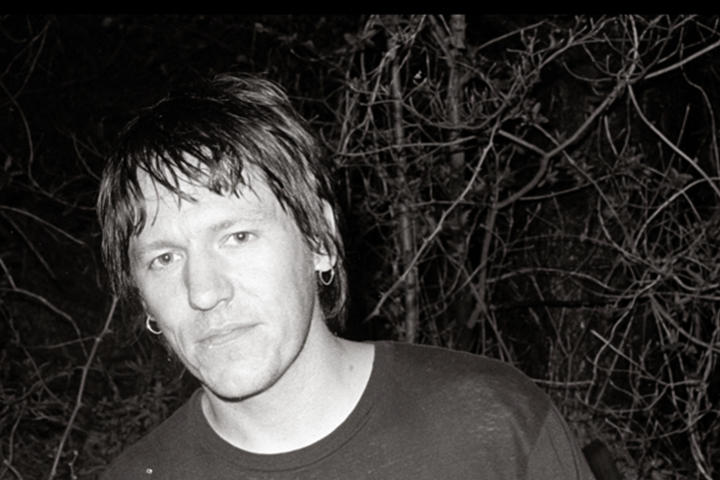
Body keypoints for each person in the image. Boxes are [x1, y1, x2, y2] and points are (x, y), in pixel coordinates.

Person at [97, 73, 596, 479]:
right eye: (164, 258)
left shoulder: (493, 425)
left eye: (238, 236)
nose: (204, 292)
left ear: (318, 238)